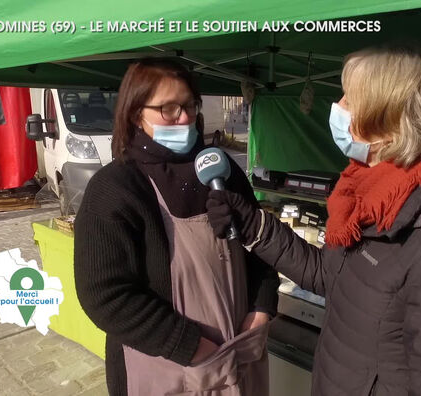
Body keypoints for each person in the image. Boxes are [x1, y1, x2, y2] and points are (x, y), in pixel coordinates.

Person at [206, 44, 421, 396]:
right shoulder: (373, 192)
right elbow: (328, 276)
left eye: (352, 99)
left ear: (394, 120)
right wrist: (252, 225)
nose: (339, 106)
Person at [73, 58, 279, 396]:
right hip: (170, 369)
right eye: (168, 109)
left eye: (188, 105)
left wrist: (262, 308)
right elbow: (104, 294)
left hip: (241, 358)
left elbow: (260, 246)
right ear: (135, 112)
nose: (184, 118)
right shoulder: (115, 188)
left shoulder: (223, 170)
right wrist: (190, 346)